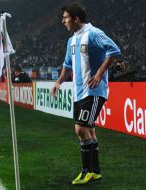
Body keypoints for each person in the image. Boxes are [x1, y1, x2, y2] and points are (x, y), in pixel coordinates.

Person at [51, 3, 121, 185]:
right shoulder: (71, 40)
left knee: (80, 129)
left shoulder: (94, 33)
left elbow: (114, 51)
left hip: (94, 90)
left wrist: (99, 74)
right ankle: (95, 171)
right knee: (89, 130)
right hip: (78, 92)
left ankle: (85, 171)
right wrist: (59, 82)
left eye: (66, 17)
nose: (63, 21)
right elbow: (67, 65)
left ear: (76, 18)